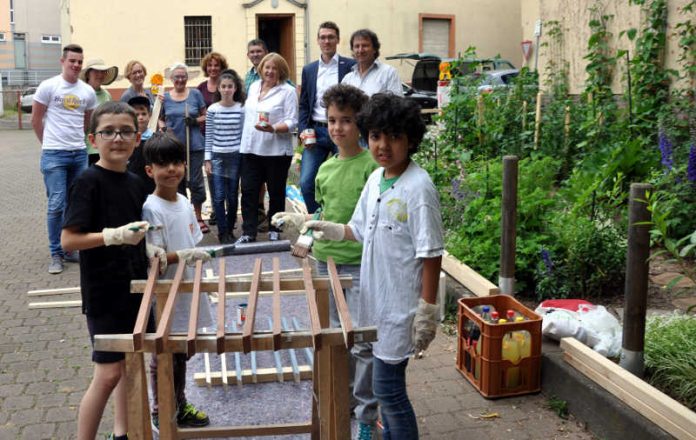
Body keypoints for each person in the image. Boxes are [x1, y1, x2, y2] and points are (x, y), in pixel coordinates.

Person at [300, 93, 443, 439]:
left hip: (400, 308)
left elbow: (431, 253)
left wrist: (427, 308)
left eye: (394, 137)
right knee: (387, 391)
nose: (383, 145)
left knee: (389, 393)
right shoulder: (378, 179)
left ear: (410, 139)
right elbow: (359, 229)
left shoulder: (418, 188)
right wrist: (327, 228)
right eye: (377, 136)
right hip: (376, 303)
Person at [273, 83, 379, 439]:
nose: (337, 128)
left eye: (346, 121)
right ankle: (341, 398)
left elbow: (371, 222)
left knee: (363, 341)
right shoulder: (325, 168)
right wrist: (304, 236)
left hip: (360, 264)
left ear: (359, 124)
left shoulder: (371, 168)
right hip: (325, 262)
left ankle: (366, 415)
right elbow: (321, 214)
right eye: (332, 120)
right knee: (335, 337)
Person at [60, 101, 159, 440]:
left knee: (130, 369)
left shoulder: (135, 183)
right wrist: (111, 236)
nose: (118, 138)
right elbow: (69, 240)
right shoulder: (88, 181)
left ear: (137, 137)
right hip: (104, 292)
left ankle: (123, 433)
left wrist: (152, 248)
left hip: (136, 288)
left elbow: (141, 232)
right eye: (108, 132)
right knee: (107, 374)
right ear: (93, 138)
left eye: (126, 131)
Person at [141, 132, 213, 431]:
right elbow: (156, 258)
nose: (171, 170)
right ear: (150, 171)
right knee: (165, 352)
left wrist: (193, 255)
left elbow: (194, 237)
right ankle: (161, 408)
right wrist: (183, 255)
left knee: (183, 350)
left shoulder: (184, 201)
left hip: (188, 287)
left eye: (176, 163)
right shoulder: (151, 208)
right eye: (162, 164)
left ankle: (179, 403)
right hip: (165, 292)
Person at [32, 43, 97, 274]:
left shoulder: (87, 91)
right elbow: (36, 120)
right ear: (63, 61)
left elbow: (87, 121)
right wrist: (49, 146)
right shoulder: (49, 86)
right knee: (56, 205)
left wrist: (75, 142)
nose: (76, 65)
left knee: (75, 204)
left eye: (80, 61)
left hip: (78, 154)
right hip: (54, 155)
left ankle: (70, 249)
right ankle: (56, 253)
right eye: (72, 61)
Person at [237, 52, 297, 243]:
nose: (270, 71)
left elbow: (292, 121)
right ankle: (248, 232)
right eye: (267, 67)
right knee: (248, 191)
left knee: (276, 191)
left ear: (281, 71)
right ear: (261, 69)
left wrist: (273, 129)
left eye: (274, 68)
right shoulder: (254, 87)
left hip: (276, 151)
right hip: (250, 148)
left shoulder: (287, 91)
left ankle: (275, 229)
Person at [298, 21, 356, 214]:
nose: (327, 41)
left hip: (342, 131)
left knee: (345, 182)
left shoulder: (350, 66)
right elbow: (305, 103)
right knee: (307, 182)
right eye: (323, 37)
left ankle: (341, 221)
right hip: (316, 132)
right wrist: (303, 130)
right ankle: (319, 220)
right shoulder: (309, 69)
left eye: (331, 37)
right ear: (317, 40)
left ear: (338, 40)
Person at [161, 62, 210, 233]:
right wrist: (165, 128)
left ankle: (197, 217)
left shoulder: (195, 94)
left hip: (194, 145)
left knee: (195, 182)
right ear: (172, 79)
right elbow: (160, 118)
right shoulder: (165, 98)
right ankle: (182, 218)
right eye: (177, 77)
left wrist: (195, 120)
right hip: (174, 148)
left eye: (183, 76)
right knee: (178, 182)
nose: (180, 80)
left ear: (187, 78)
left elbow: (206, 115)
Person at [204, 69, 246, 244]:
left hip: (235, 156)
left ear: (235, 88)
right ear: (219, 89)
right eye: (223, 86)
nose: (227, 89)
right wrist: (207, 159)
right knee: (219, 196)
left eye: (230, 86)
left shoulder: (242, 109)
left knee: (232, 196)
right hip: (217, 156)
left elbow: (244, 134)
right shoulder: (213, 109)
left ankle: (230, 230)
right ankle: (222, 232)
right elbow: (209, 135)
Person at [197, 52, 229, 226]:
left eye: (216, 65)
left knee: (226, 177)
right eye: (210, 65)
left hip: (226, 138)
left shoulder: (227, 85)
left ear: (222, 67)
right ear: (206, 68)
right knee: (211, 175)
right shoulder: (200, 88)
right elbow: (196, 112)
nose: (213, 68)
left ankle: (225, 211)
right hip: (206, 138)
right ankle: (217, 211)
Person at [341, 29, 403, 97]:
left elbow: (397, 104)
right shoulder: (348, 79)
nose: (360, 50)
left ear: (375, 49)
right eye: (357, 46)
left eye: (365, 46)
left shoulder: (389, 73)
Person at [81, 59, 118, 165]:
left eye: (103, 72)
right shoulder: (81, 93)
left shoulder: (106, 95)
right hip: (85, 149)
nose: (100, 75)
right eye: (96, 71)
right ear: (88, 74)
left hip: (104, 148)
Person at [126, 95, 156, 194]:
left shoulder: (155, 139)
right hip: (130, 186)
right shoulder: (125, 140)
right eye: (136, 114)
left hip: (150, 187)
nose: (141, 117)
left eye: (144, 114)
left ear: (149, 115)